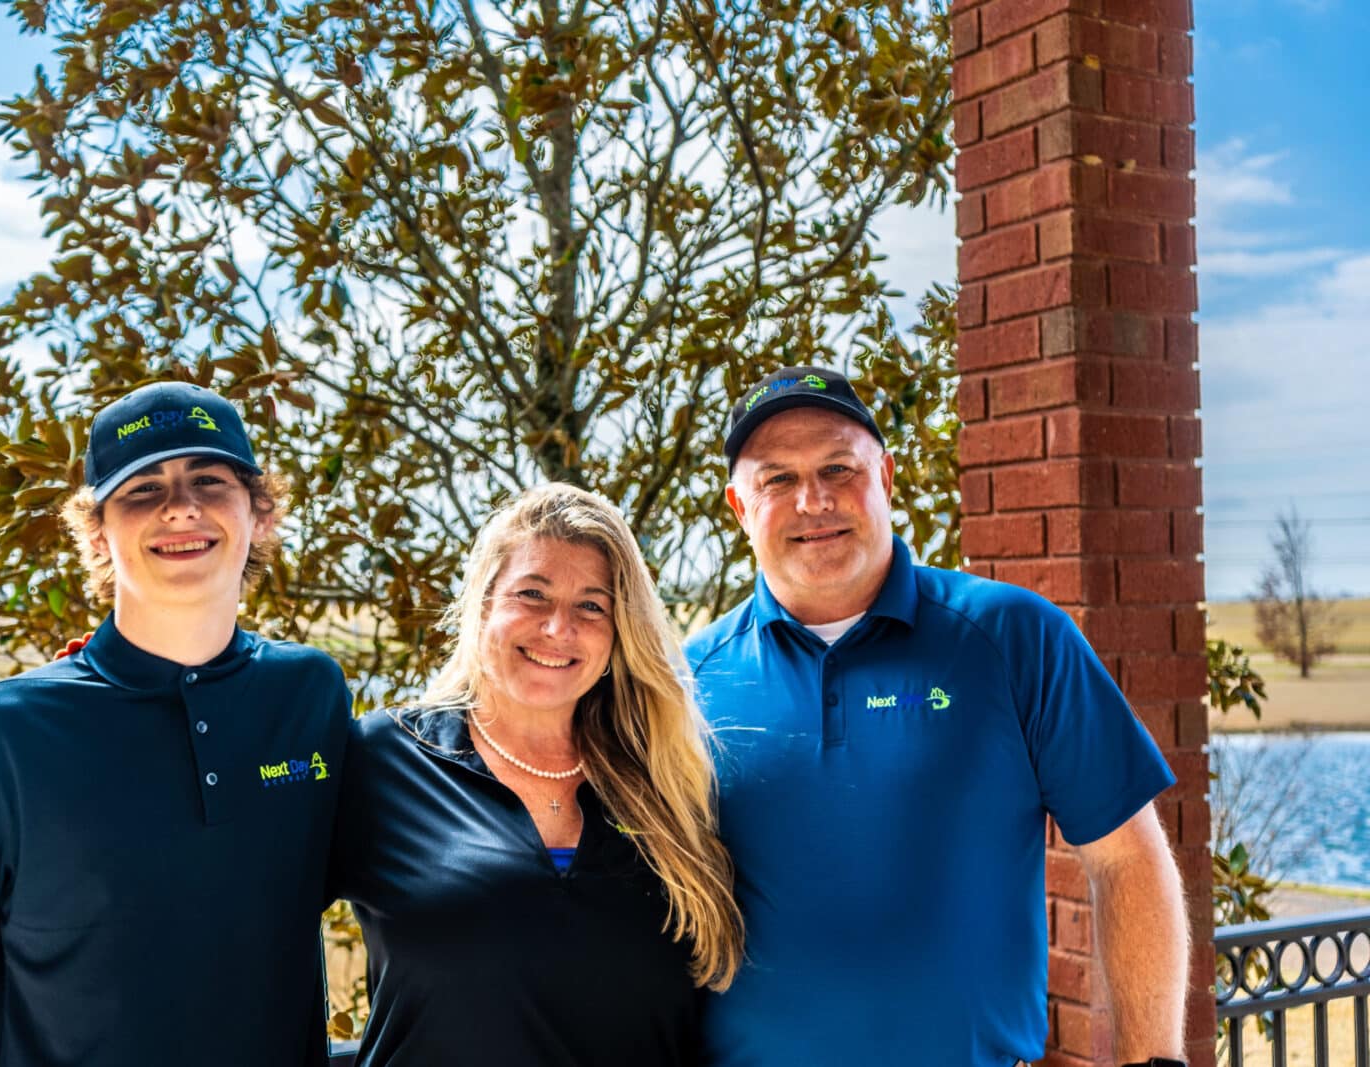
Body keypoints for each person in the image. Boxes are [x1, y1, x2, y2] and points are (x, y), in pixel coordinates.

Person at [685, 366, 1190, 1067]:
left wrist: (1152, 1061)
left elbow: (1127, 858)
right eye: (776, 479)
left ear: (886, 478)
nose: (814, 499)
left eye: (839, 466)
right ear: (740, 507)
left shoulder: (1016, 637)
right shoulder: (684, 683)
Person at [0, 382, 350, 1066]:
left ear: (261, 514)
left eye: (209, 480)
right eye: (142, 489)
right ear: (96, 533)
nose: (180, 506)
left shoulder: (312, 693)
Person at [329, 483, 744, 1065]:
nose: (558, 628)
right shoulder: (384, 759)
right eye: (532, 594)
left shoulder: (665, 781)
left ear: (619, 632)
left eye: (591, 606)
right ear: (483, 604)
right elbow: (250, 922)